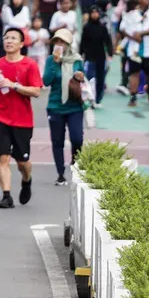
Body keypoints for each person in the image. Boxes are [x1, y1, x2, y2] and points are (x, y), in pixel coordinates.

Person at [0, 26, 43, 208]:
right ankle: (6, 195)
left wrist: (14, 86)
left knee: (22, 162)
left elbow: (36, 91)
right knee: (3, 157)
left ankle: (27, 180)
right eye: (6, 38)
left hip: (23, 120)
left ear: (21, 43)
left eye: (13, 38)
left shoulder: (29, 65)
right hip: (0, 117)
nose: (9, 41)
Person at [42, 27, 85, 185]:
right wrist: (55, 63)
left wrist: (80, 76)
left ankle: (75, 165)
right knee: (57, 141)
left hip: (74, 106)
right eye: (56, 42)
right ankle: (60, 173)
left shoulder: (77, 60)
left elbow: (82, 77)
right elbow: (46, 81)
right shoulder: (50, 60)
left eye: (62, 42)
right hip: (55, 106)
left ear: (68, 44)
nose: (59, 45)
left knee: (77, 138)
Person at [79, 4, 114, 106]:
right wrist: (80, 53)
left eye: (96, 12)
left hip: (100, 56)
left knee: (100, 78)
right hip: (89, 56)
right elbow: (83, 41)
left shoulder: (102, 27)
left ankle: (98, 98)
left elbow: (107, 41)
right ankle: (90, 97)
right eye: (92, 13)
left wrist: (110, 52)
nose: (94, 15)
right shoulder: (86, 27)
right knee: (89, 78)